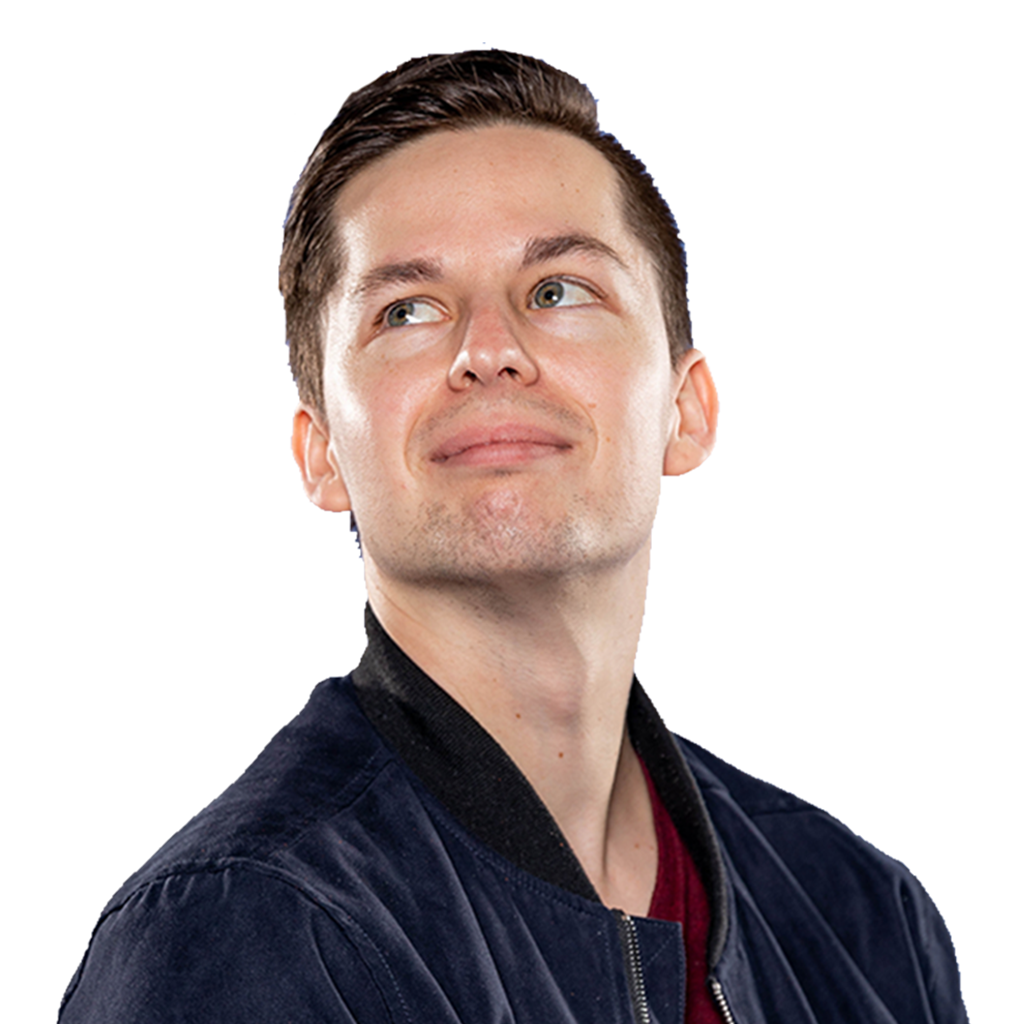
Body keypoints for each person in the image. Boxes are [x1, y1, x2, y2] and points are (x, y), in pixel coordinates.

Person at [58, 50, 967, 1024]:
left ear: (687, 410)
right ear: (321, 453)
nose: (487, 350)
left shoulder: (864, 920)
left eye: (557, 290)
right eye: (407, 310)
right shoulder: (248, 930)